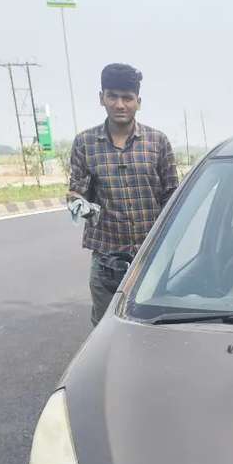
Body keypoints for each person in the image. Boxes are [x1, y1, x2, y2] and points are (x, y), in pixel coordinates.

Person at [68, 63, 179, 325]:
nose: (120, 104)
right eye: (113, 96)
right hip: (106, 260)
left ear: (138, 102)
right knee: (106, 329)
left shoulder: (157, 142)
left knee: (157, 325)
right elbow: (76, 191)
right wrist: (78, 204)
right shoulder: (85, 143)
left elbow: (172, 198)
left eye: (127, 98)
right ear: (101, 98)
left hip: (153, 258)